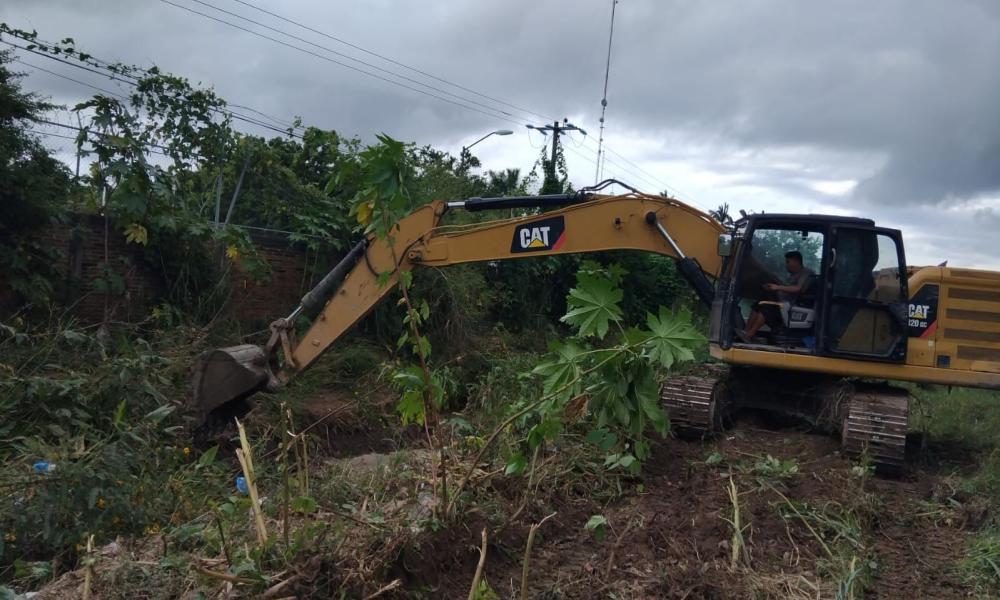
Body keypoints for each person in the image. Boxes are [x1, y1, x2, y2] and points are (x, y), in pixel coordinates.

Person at [737, 250, 815, 343]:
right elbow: (786, 287)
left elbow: (798, 288)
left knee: (766, 307)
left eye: (788, 262)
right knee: (758, 304)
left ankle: (749, 335)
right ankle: (745, 332)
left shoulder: (806, 273)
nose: (786, 265)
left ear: (796, 261)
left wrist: (777, 287)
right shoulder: (792, 275)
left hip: (789, 304)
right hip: (782, 300)